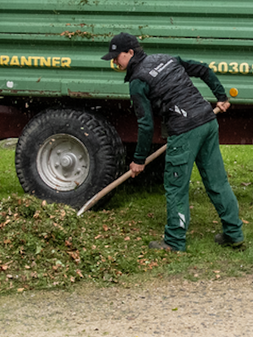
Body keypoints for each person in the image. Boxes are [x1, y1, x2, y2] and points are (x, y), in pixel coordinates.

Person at [103, 31, 245, 252]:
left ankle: (174, 241)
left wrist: (138, 159)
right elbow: (203, 69)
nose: (114, 62)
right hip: (207, 121)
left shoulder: (138, 81)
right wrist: (221, 96)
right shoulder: (166, 58)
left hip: (185, 129)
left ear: (130, 52)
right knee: (217, 181)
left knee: (175, 186)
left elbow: (146, 124)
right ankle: (234, 233)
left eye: (116, 56)